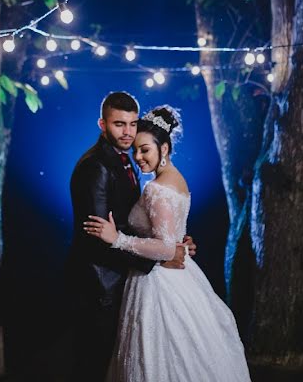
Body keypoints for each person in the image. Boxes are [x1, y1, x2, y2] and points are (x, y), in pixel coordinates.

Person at [84, 105, 251, 382]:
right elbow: (171, 238)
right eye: (135, 150)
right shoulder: (176, 180)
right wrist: (180, 243)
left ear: (164, 148)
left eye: (145, 150)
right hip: (176, 275)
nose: (138, 157)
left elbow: (164, 247)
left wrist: (117, 239)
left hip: (158, 282)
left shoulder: (157, 188)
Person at [67, 92, 196, 382]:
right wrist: (162, 257)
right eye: (119, 124)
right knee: (93, 366)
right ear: (103, 124)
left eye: (132, 124)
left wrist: (175, 242)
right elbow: (97, 237)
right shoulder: (95, 167)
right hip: (101, 285)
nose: (127, 132)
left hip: (126, 278)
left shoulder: (129, 161)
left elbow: (139, 222)